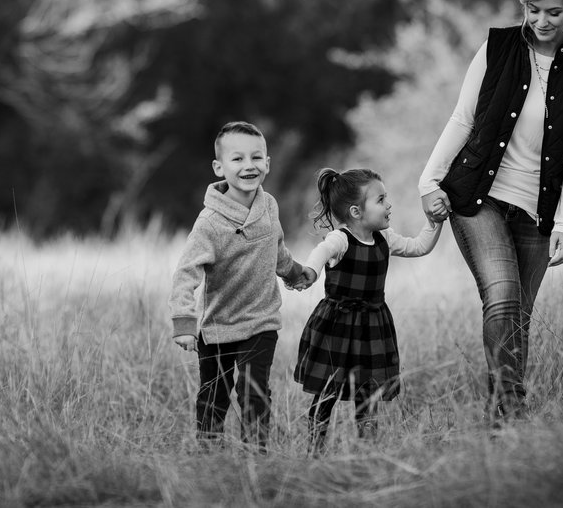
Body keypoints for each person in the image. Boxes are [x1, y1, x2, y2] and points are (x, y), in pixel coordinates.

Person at [418, 0, 563, 424]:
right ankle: (512, 411)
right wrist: (428, 181)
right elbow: (462, 119)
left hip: (539, 211)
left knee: (519, 315)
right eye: (533, 9)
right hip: (478, 198)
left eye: (554, 12)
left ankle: (501, 425)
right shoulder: (497, 48)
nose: (541, 21)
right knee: (502, 295)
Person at [169, 120, 316, 450]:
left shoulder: (269, 205)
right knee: (215, 393)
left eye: (256, 157)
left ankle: (256, 456)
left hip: (261, 321)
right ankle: (209, 451)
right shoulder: (210, 222)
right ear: (219, 167)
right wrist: (183, 323)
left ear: (267, 162)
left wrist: (294, 273)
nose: (248, 166)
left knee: (255, 392)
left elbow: (275, 248)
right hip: (218, 325)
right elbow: (185, 273)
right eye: (237, 159)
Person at [293, 167, 442, 452]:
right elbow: (321, 252)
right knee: (328, 390)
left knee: (368, 390)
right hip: (337, 325)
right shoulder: (341, 239)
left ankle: (367, 448)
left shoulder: (385, 239)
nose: (389, 205)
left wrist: (434, 223)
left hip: (372, 327)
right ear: (356, 212)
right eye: (381, 199)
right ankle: (315, 447)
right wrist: (311, 271)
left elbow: (419, 246)